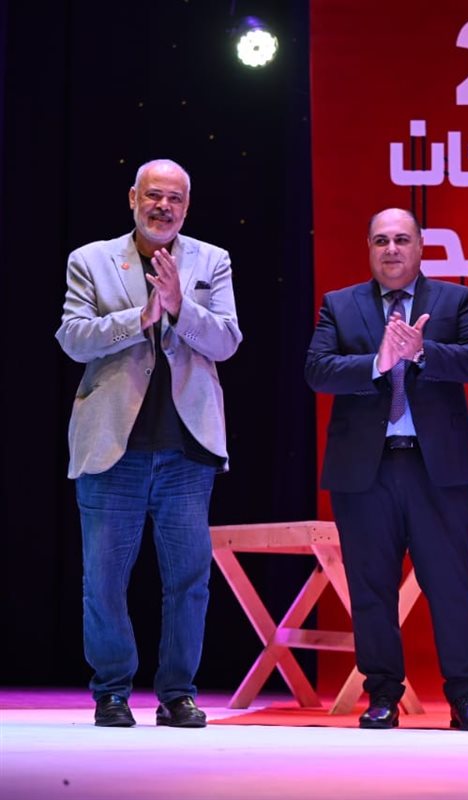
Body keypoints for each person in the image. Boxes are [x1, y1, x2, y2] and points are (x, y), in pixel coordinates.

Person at [56, 158, 242, 728]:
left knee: (188, 580)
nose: (164, 207)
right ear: (133, 198)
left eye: (175, 199)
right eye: (154, 196)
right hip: (112, 446)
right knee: (104, 580)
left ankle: (178, 693)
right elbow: (72, 338)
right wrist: (140, 317)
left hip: (187, 447)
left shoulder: (211, 260)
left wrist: (181, 307)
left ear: (187, 206)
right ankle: (111, 691)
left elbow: (228, 340)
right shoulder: (90, 259)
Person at [305, 208, 468, 732]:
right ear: (369, 247)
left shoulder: (455, 300)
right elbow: (317, 370)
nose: (391, 249)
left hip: (439, 471)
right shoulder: (340, 305)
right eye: (381, 240)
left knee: (451, 586)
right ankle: (383, 694)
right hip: (365, 471)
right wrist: (378, 363)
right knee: (371, 589)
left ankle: (465, 696)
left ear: (420, 246)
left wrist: (423, 352)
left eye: (402, 240)